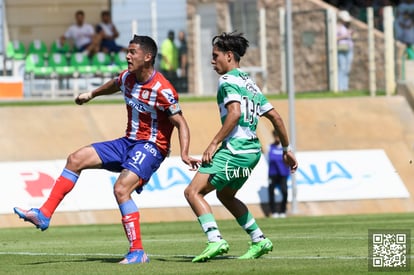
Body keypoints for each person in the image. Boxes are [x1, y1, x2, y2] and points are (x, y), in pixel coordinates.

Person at [14, 35, 200, 265]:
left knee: (121, 189)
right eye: (128, 51)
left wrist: (184, 153)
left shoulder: (163, 89)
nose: (127, 56)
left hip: (152, 147)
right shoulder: (128, 78)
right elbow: (115, 83)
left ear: (148, 56)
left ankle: (137, 251)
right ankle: (44, 214)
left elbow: (181, 122)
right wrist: (91, 94)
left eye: (132, 52)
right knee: (75, 159)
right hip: (127, 143)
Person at [184, 32, 298, 262]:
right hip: (252, 153)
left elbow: (234, 113)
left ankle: (215, 240)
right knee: (226, 195)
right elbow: (276, 117)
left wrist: (214, 143)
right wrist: (287, 149)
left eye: (215, 56)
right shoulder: (249, 82)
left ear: (229, 56)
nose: (212, 60)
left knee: (193, 192)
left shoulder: (227, 81)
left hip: (235, 151)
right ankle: (259, 239)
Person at [267, 130, 290, 218]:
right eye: (275, 136)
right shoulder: (270, 147)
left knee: (284, 191)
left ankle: (283, 210)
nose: (277, 138)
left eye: (278, 136)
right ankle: (273, 211)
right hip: (273, 173)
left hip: (283, 173)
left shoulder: (286, 148)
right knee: (271, 191)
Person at [337, 10, 354, 91]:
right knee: (342, 68)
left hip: (349, 48)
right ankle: (341, 87)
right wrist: (345, 35)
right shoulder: (337, 27)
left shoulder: (348, 26)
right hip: (341, 48)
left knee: (347, 69)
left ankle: (345, 88)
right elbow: (335, 38)